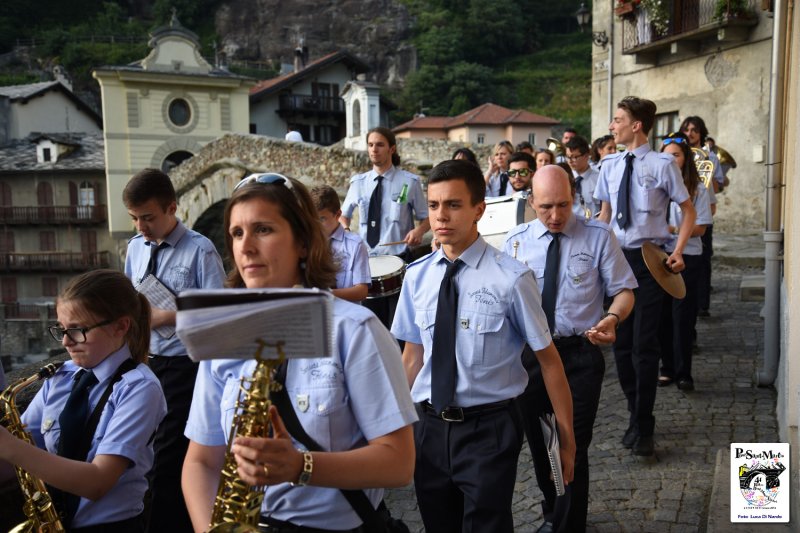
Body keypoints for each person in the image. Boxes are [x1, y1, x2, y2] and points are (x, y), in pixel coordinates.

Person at [182, 173, 417, 532]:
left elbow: (399, 463)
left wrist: (301, 467)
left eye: (263, 229)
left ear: (304, 243)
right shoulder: (225, 332)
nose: (245, 247)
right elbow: (200, 461)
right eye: (237, 233)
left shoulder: (355, 330)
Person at [391, 159, 576, 532]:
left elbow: (550, 362)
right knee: (437, 524)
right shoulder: (416, 277)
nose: (441, 216)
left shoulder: (511, 279)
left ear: (479, 209)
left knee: (486, 526)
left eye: (454, 205)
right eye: (434, 205)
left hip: (488, 428)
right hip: (429, 427)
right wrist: (391, 425)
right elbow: (413, 356)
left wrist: (567, 439)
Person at [503, 165, 636, 533]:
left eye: (563, 205)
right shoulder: (514, 241)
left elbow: (624, 290)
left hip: (578, 355)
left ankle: (568, 524)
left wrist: (612, 317)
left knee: (569, 442)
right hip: (531, 357)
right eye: (546, 207)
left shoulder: (598, 236)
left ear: (574, 198)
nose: (556, 215)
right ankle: (552, 511)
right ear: (531, 202)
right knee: (540, 439)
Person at [0, 269, 166, 531]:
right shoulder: (59, 378)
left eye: (78, 330)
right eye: (61, 329)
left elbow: (97, 482)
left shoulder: (140, 388)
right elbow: (21, 447)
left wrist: (8, 446)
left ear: (121, 326)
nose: (66, 342)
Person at [122, 168, 226, 532]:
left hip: (185, 367)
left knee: (171, 461)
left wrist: (167, 315)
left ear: (172, 207)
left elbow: (217, 315)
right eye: (134, 218)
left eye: (148, 217)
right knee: (144, 455)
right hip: (145, 364)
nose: (140, 227)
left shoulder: (201, 249)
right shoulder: (135, 248)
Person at [595, 96, 697, 457]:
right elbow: (605, 215)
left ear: (636, 125)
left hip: (650, 260)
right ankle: (634, 416)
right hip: (616, 260)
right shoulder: (607, 165)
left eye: (618, 119)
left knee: (644, 346)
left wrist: (679, 251)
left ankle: (645, 424)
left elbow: (687, 212)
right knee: (621, 347)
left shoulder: (662, 163)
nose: (612, 125)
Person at [340, 127, 430, 329]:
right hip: (366, 264)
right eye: (370, 145)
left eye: (380, 145)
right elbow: (342, 216)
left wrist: (418, 231)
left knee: (399, 326)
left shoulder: (409, 182)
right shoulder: (358, 183)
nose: (374, 149)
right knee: (370, 326)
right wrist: (346, 230)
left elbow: (427, 219)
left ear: (392, 149)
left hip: (398, 262)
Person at [657, 133, 713, 392]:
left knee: (683, 317)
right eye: (666, 155)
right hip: (659, 256)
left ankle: (683, 372)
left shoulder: (697, 189)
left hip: (688, 256)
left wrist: (671, 230)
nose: (671, 159)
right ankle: (666, 367)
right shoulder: (656, 189)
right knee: (663, 317)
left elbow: (700, 228)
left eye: (676, 155)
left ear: (685, 159)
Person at [680, 116, 720, 318]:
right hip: (682, 216)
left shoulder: (710, 156)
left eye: (694, 130)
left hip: (701, 209)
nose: (690, 133)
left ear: (701, 132)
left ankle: (703, 304)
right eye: (686, 130)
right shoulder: (676, 157)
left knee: (703, 260)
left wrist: (709, 179)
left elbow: (719, 186)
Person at [310, 184, 371, 302]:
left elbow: (361, 291)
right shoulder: (306, 243)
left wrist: (325, 294)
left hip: (346, 313)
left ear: (338, 215)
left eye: (322, 219)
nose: (316, 225)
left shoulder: (355, 245)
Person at [565, 135, 601, 218]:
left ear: (586, 156)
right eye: (567, 156)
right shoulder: (565, 177)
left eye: (574, 157)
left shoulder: (598, 179)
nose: (570, 161)